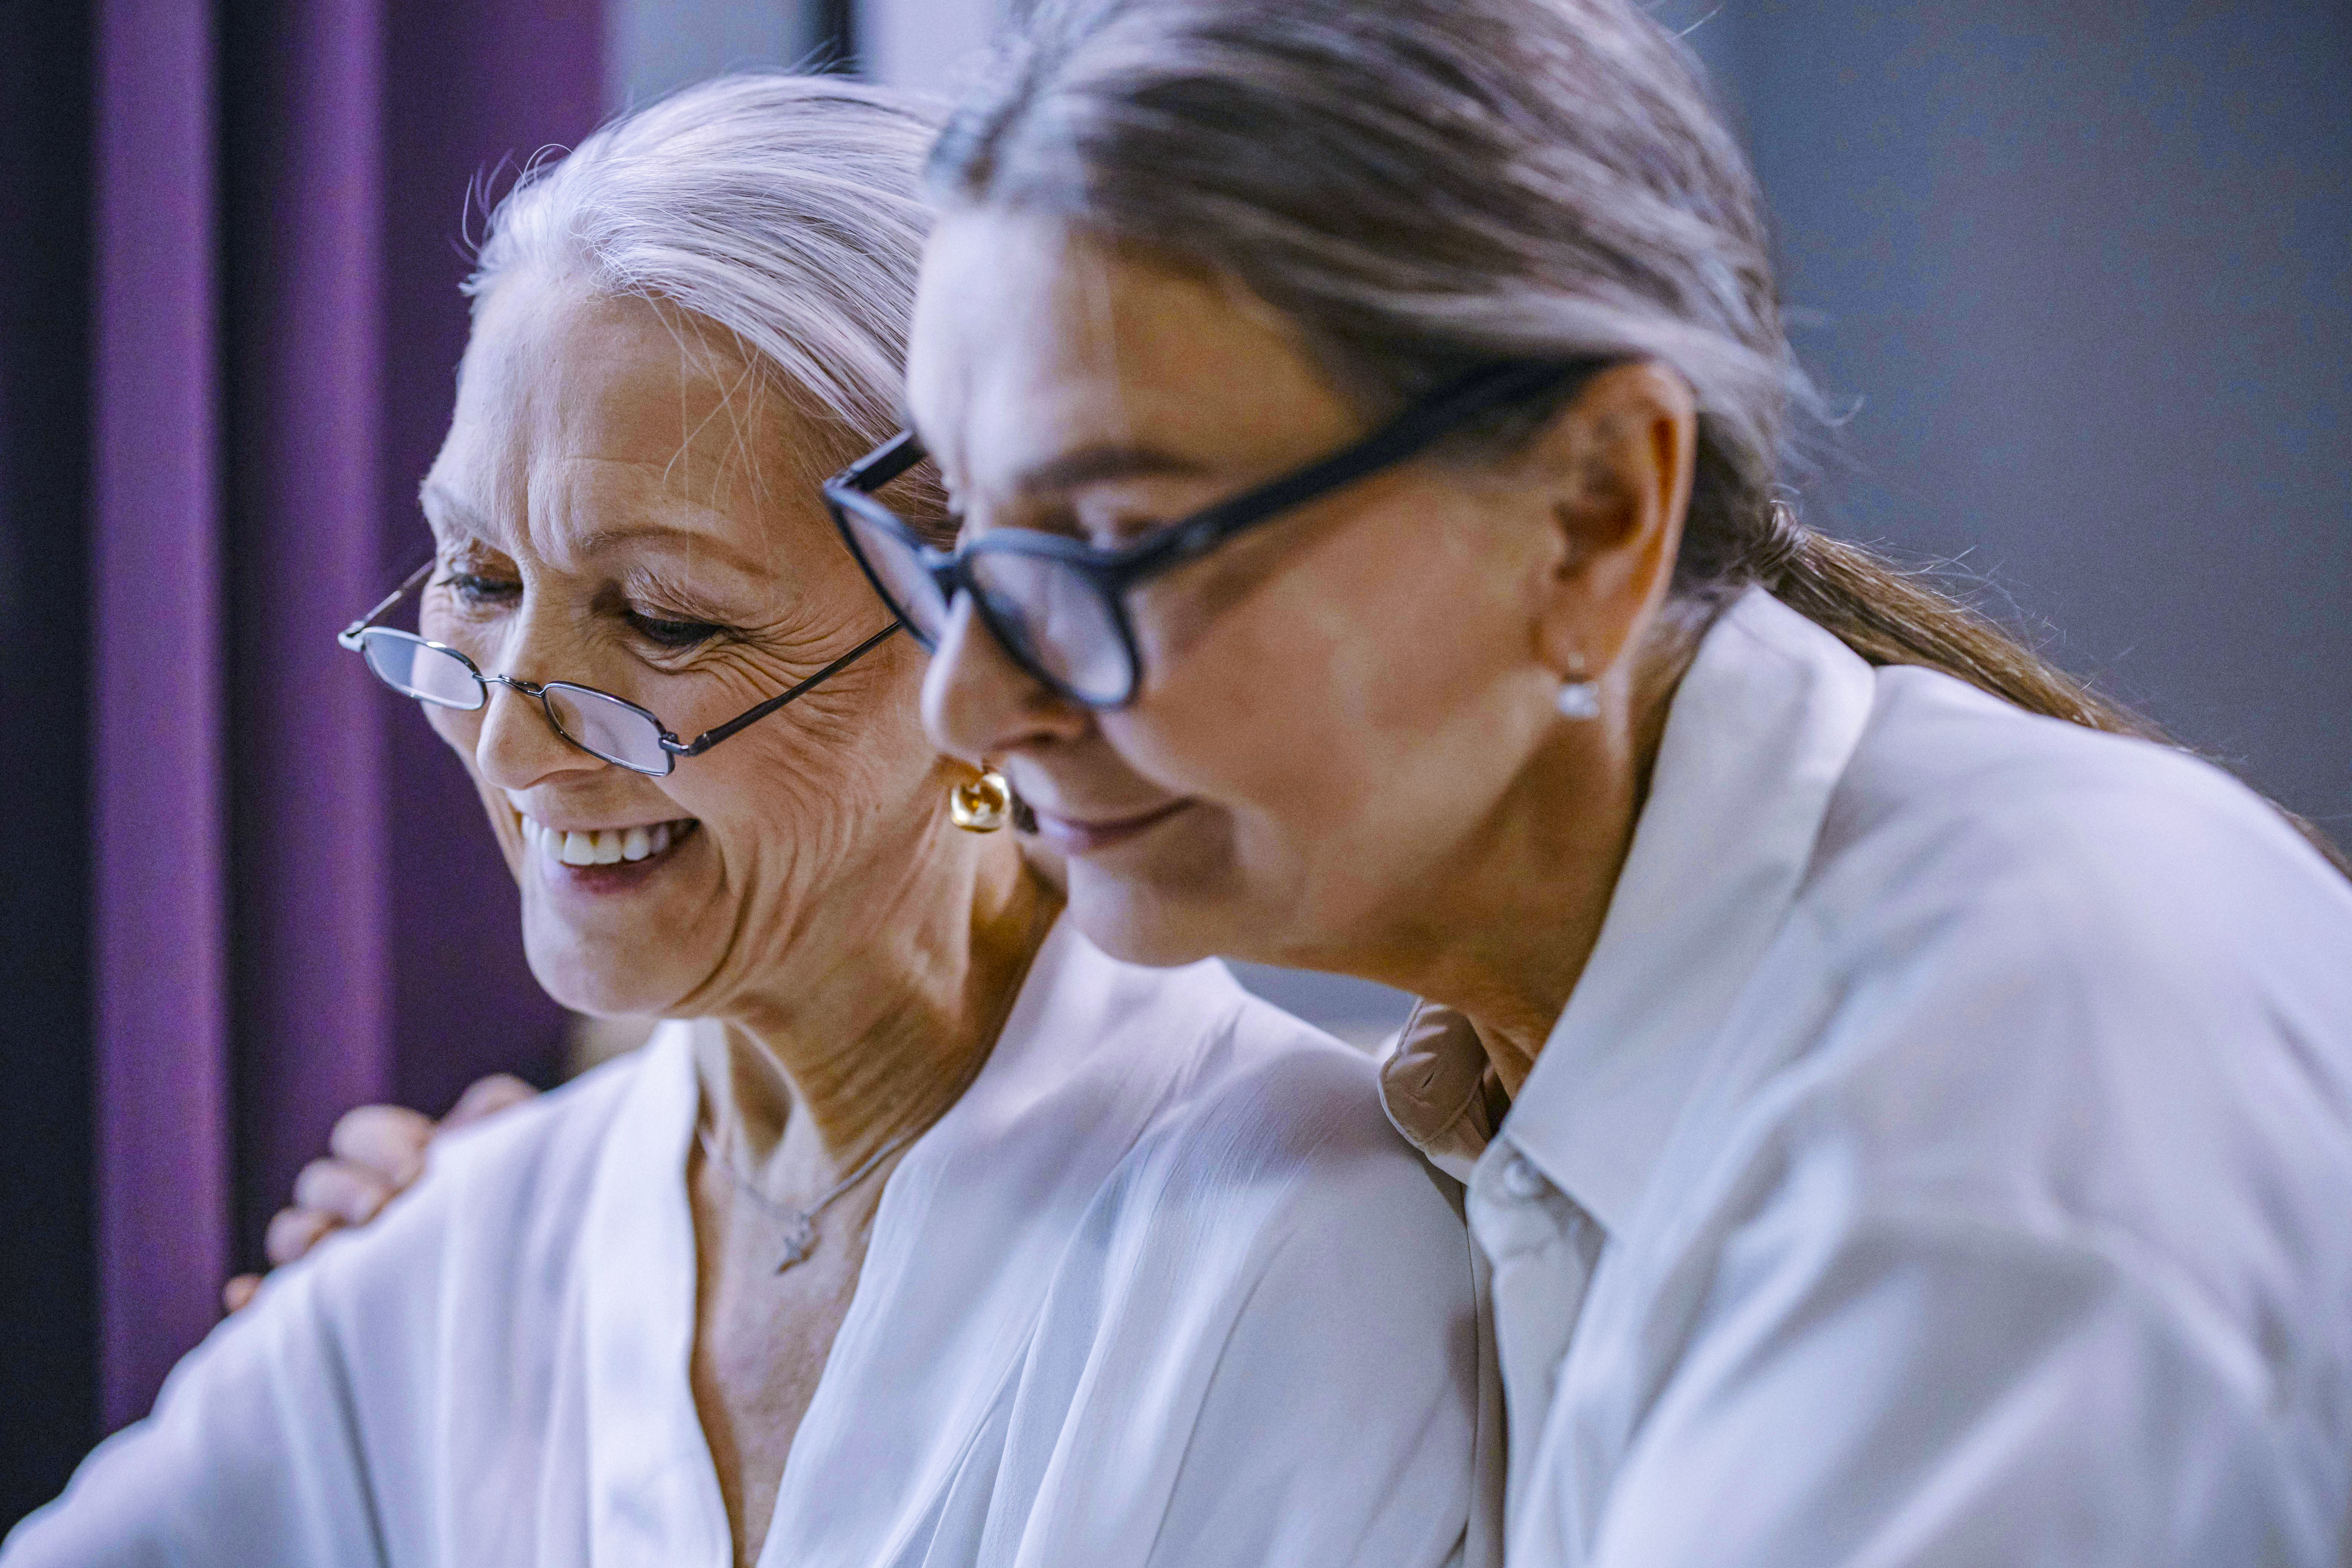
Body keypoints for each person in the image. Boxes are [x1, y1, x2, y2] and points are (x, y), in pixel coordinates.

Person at [824, 0, 2352, 1562]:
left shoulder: (1990, 1093)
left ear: (1594, 514)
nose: (968, 696)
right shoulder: (1513, 1102)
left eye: (1106, 546)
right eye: (959, 551)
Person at [4, 74, 1489, 1568]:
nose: (511, 732)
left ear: (990, 642)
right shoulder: (449, 1261)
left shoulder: (1304, 1244)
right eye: (478, 574)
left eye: (663, 619)